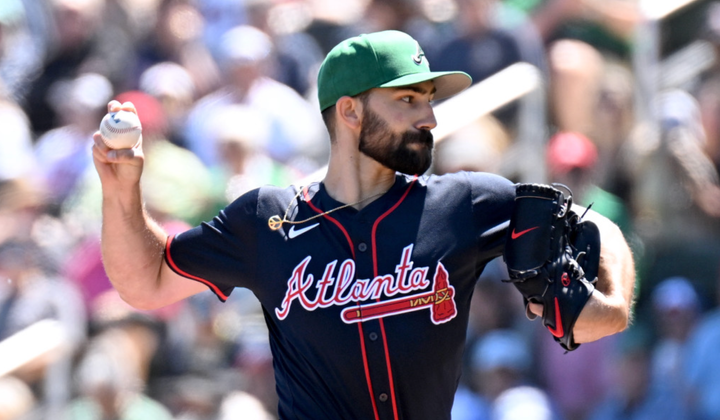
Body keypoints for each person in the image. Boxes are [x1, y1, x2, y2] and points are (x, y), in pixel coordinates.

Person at [91, 30, 635, 420]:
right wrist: (121, 193)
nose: (429, 116)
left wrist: (610, 293)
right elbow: (146, 282)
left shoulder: (467, 202)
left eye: (428, 99)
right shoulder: (266, 218)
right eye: (407, 99)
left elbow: (592, 230)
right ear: (349, 112)